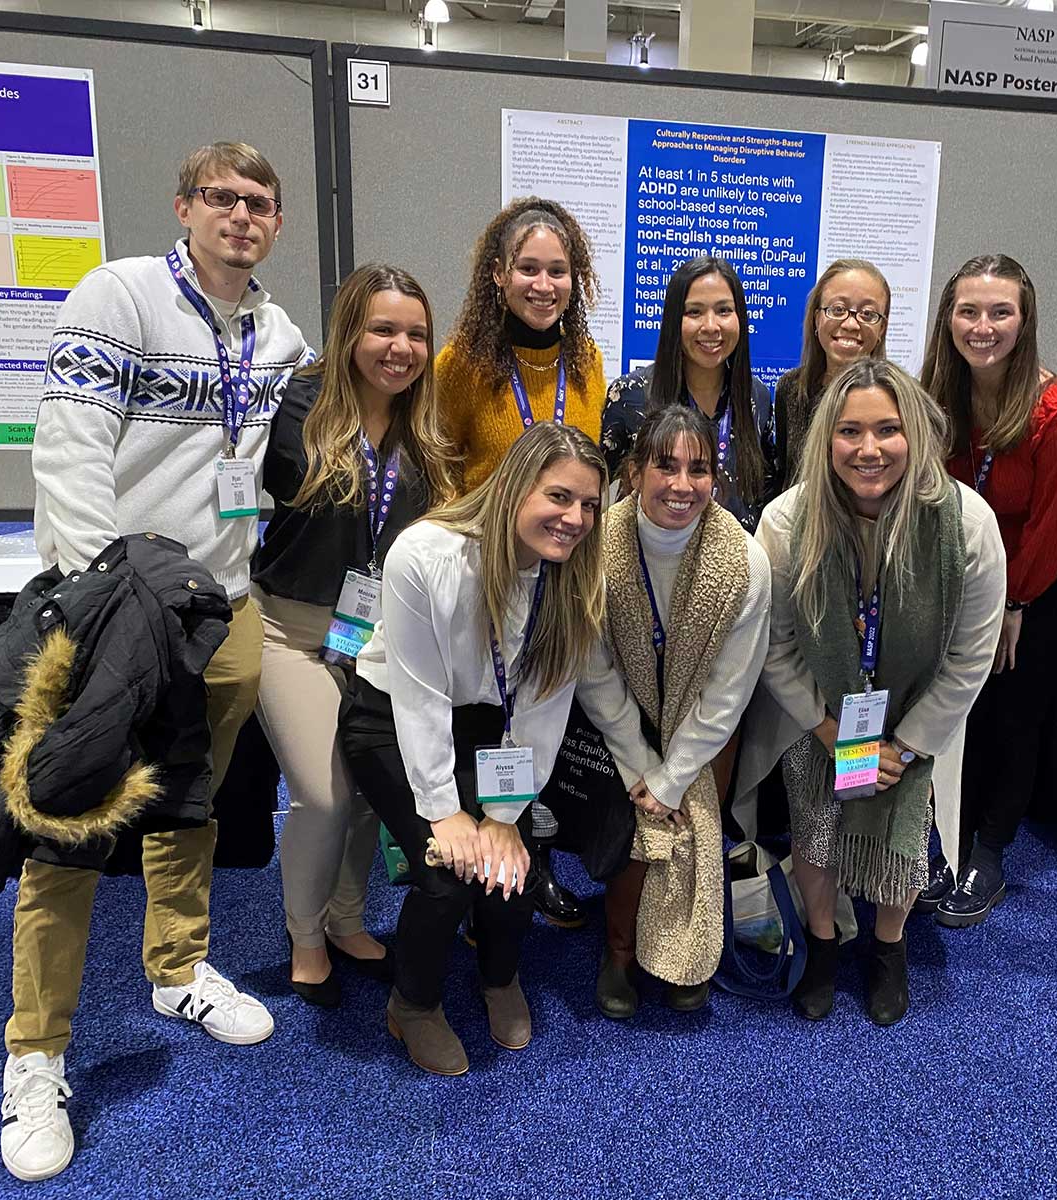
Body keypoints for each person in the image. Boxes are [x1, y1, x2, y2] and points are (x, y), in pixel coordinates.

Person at [10, 142, 310, 1182]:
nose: (241, 215)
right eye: (222, 199)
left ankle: (176, 968)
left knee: (188, 802)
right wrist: (99, 595)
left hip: (221, 614)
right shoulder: (118, 298)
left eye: (259, 203)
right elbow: (70, 450)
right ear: (183, 207)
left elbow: (274, 473)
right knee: (71, 829)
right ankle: (35, 1053)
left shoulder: (278, 336)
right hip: (114, 614)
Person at [337, 422, 607, 1075]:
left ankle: (499, 975)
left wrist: (503, 820)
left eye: (590, 505)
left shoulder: (569, 581)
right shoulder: (425, 555)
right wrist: (448, 813)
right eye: (559, 497)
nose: (575, 519)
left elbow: (542, 710)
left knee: (514, 861)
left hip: (492, 725)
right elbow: (420, 696)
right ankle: (415, 1003)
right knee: (445, 871)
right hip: (388, 716)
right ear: (516, 487)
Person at [752, 358, 1006, 1026]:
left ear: (916, 433)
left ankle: (889, 949)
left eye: (888, 430)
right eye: (850, 431)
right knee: (814, 826)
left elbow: (970, 657)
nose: (869, 449)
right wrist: (829, 730)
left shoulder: (967, 524)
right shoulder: (786, 521)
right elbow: (774, 644)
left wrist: (903, 744)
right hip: (820, 715)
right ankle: (824, 941)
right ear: (825, 439)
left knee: (902, 829)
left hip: (915, 716)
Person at [251, 264, 460, 1007]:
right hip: (288, 632)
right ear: (348, 334)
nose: (399, 347)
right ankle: (304, 933)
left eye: (415, 334)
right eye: (382, 329)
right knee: (324, 794)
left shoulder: (424, 431)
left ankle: (344, 920)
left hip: (372, 639)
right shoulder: (297, 408)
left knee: (371, 792)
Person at [432, 196, 609, 927]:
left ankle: (526, 867)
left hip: (558, 580)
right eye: (529, 268)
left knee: (540, 728)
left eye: (559, 270)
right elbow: (439, 476)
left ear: (577, 280)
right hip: (484, 580)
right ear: (498, 275)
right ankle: (472, 876)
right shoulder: (461, 365)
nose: (544, 284)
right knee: (479, 724)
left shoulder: (587, 361)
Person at [916, 255, 1057, 927]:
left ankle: (987, 850)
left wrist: (1013, 603)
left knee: (1010, 713)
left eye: (1000, 312)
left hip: (1037, 579)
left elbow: (1051, 524)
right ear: (948, 319)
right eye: (968, 311)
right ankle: (928, 841)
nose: (982, 326)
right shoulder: (932, 397)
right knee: (940, 706)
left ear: (1024, 321)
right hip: (958, 570)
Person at [578, 406, 772, 1018]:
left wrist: (673, 774)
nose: (683, 485)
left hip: (705, 725)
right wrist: (640, 763)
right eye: (665, 466)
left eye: (700, 469)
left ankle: (686, 954)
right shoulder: (594, 547)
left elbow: (729, 690)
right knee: (638, 831)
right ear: (634, 472)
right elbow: (593, 669)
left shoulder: (745, 560)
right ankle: (620, 953)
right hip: (619, 723)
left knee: (691, 821)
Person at [600, 256, 778, 531]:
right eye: (694, 312)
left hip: (735, 565)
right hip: (649, 565)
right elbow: (595, 491)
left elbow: (767, 498)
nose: (710, 326)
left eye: (724, 310)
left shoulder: (758, 398)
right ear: (673, 320)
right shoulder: (630, 396)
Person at [772, 258, 891, 490]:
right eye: (837, 309)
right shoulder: (791, 389)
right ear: (817, 319)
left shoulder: (898, 399)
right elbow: (785, 478)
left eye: (867, 314)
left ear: (882, 328)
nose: (850, 324)